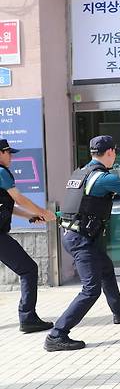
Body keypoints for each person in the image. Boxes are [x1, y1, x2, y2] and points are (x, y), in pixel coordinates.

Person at [44, 136, 120, 352]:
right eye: (114, 152)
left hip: (73, 234)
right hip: (82, 240)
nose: (114, 155)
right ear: (109, 152)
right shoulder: (104, 178)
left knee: (106, 268)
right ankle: (57, 334)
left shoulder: (80, 173)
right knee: (90, 290)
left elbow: (80, 206)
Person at [0, 138, 56, 333]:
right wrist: (42, 212)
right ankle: (28, 318)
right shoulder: (1, 172)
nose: (11, 158)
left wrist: (32, 216)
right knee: (28, 269)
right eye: (8, 153)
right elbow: (19, 198)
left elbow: (9, 206)